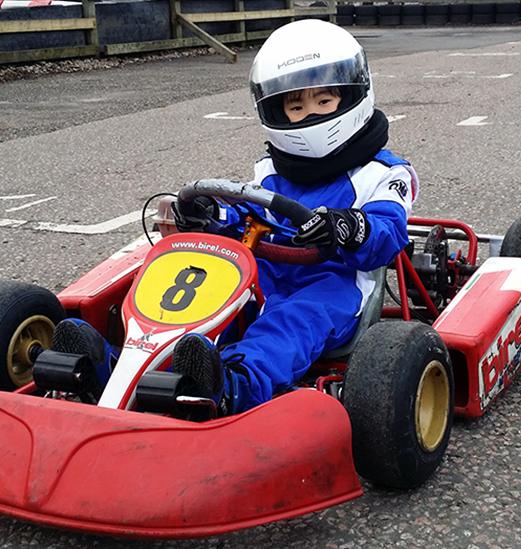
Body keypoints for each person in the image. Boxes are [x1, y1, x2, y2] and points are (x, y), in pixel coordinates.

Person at [166, 19, 419, 415]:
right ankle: (123, 365)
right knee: (201, 301)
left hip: (333, 284)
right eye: (296, 106)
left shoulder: (383, 173)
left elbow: (387, 233)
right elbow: (245, 220)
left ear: (352, 95)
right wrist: (212, 215)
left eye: (323, 101)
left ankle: (235, 387)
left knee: (289, 324)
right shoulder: (270, 171)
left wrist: (348, 226)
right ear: (276, 112)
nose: (309, 115)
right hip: (263, 276)